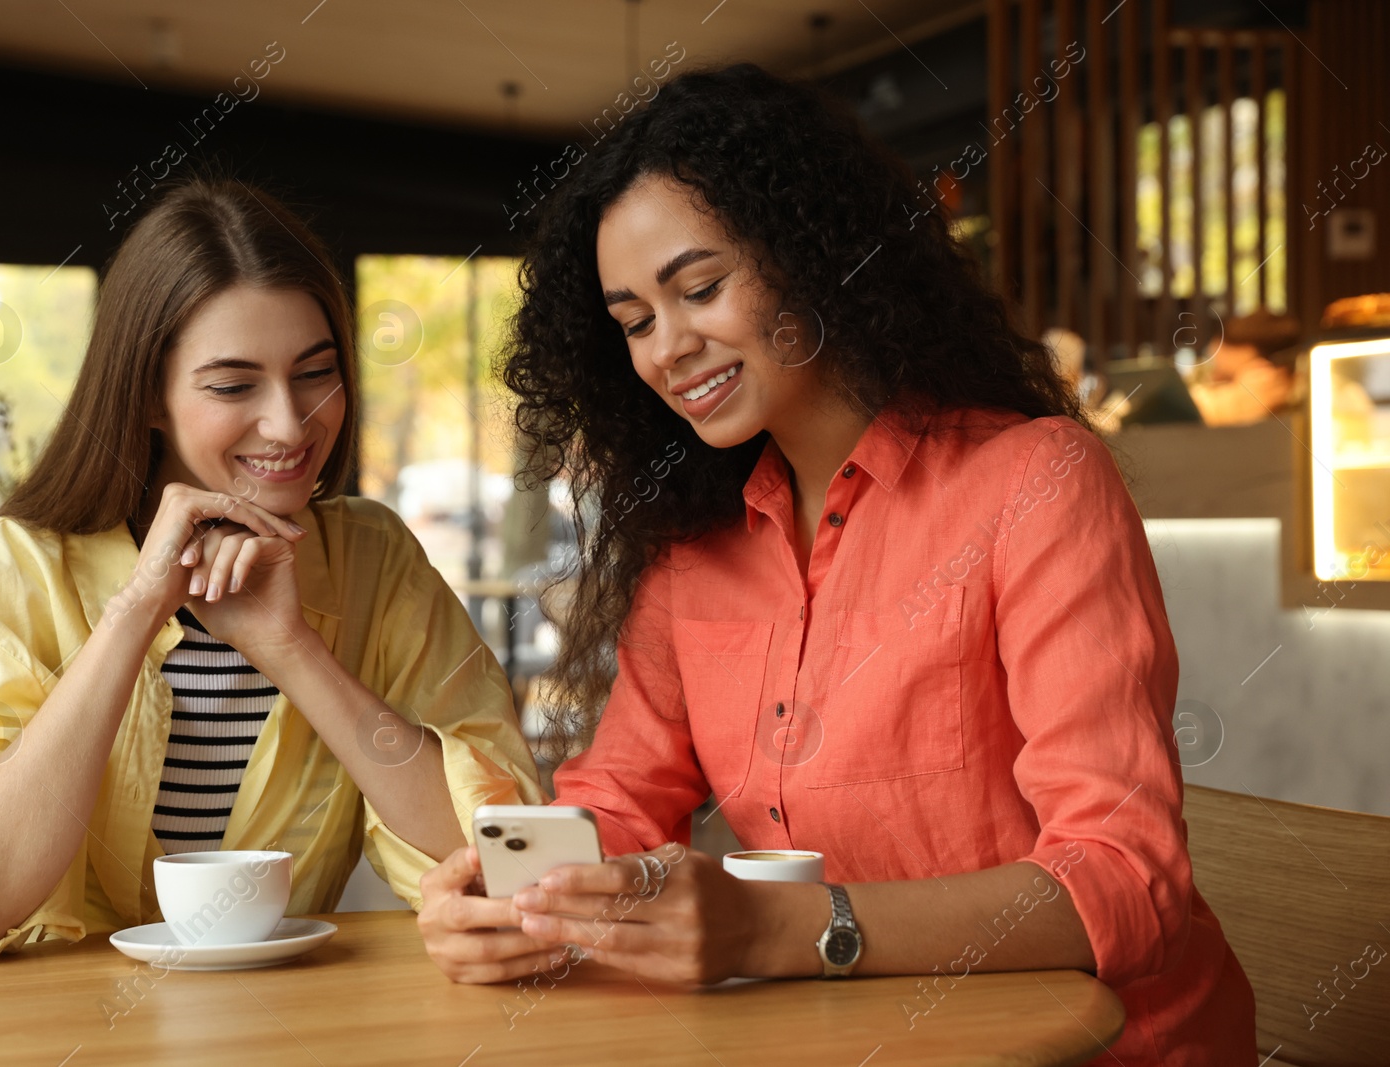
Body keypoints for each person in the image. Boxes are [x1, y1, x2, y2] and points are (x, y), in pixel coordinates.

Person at [416, 65, 1255, 1065]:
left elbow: (1123, 879)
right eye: (634, 321)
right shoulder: (693, 549)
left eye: (700, 287)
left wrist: (783, 926)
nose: (668, 347)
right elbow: (619, 800)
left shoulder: (1034, 482)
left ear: (811, 253)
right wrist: (516, 889)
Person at [0, 179, 542, 968]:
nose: (289, 422)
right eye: (233, 385)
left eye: (315, 372)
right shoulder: (4, 571)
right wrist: (137, 610)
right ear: (146, 394)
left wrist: (291, 649)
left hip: (257, 1021)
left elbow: (499, 861)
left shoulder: (374, 562)